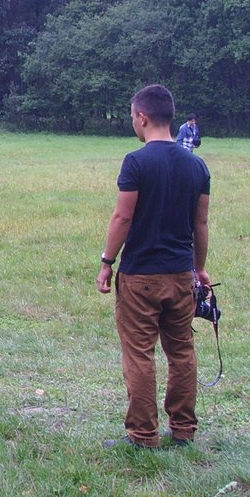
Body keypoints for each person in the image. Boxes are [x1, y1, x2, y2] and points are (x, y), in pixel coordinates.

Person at [97, 84, 213, 450]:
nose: (133, 122)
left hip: (141, 276)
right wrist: (199, 269)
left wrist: (107, 261)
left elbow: (122, 217)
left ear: (143, 117)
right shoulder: (197, 165)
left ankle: (143, 435)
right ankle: (183, 429)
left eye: (133, 116)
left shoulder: (136, 162)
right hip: (181, 275)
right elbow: (201, 224)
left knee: (139, 354)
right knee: (182, 353)